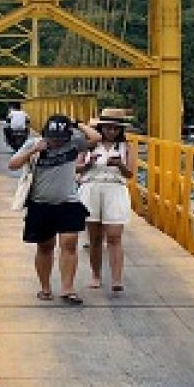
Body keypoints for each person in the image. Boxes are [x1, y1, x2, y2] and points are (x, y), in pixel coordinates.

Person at [8, 113, 100, 305]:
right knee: (45, 246)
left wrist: (78, 123)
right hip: (41, 204)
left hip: (68, 202)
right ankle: (45, 287)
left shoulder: (73, 143)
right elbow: (13, 165)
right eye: (52, 138)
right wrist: (33, 150)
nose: (56, 143)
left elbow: (96, 138)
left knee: (69, 243)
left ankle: (67, 289)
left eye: (60, 139)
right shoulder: (33, 143)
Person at [77, 108, 135, 293]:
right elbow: (77, 168)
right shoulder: (90, 144)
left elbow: (131, 173)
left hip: (115, 189)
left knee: (114, 236)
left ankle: (117, 279)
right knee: (95, 238)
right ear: (101, 128)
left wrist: (120, 165)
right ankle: (96, 275)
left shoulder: (126, 147)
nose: (111, 131)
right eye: (108, 128)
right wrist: (88, 163)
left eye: (115, 129)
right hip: (91, 187)